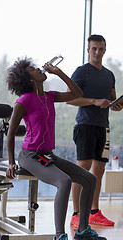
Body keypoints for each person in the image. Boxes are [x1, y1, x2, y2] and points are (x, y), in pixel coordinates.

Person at [6, 56, 107, 240]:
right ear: (28, 80)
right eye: (33, 69)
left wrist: (59, 73)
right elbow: (10, 133)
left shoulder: (49, 96)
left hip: (47, 154)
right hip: (29, 155)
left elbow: (77, 93)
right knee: (64, 181)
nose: (39, 69)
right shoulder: (24, 101)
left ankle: (83, 231)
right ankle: (60, 236)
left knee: (90, 179)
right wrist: (11, 162)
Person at [66, 34, 123, 228]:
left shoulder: (109, 74)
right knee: (82, 168)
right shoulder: (81, 72)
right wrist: (93, 101)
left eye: (101, 49)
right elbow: (69, 99)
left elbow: (112, 98)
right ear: (88, 50)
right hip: (85, 125)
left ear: (105, 50)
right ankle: (76, 213)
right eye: (94, 49)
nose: (97, 52)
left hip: (103, 127)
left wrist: (116, 105)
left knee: (99, 170)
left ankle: (94, 212)